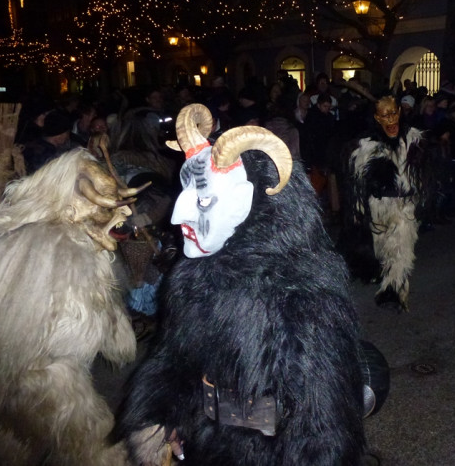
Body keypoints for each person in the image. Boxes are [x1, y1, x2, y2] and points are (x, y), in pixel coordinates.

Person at [117, 104, 367, 465]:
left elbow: (326, 422)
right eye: (186, 191)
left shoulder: (306, 294)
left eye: (203, 199)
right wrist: (160, 415)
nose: (178, 215)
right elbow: (175, 359)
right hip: (206, 444)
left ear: (249, 201)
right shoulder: (191, 281)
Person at [0, 148, 144, 465]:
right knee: (95, 445)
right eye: (105, 207)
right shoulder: (51, 250)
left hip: (31, 377)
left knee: (16, 439)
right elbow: (70, 336)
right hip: (50, 379)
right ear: (73, 207)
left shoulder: (60, 241)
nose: (123, 214)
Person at [338, 87, 430, 311]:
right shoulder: (366, 145)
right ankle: (379, 272)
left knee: (400, 250)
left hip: (403, 208)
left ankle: (393, 291)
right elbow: (356, 181)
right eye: (384, 115)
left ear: (400, 112)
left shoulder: (413, 140)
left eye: (393, 113)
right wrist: (374, 173)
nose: (390, 120)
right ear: (377, 118)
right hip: (377, 208)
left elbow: (422, 177)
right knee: (380, 247)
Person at [22, 109, 74, 174]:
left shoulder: (29, 146)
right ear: (59, 136)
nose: (68, 138)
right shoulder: (53, 158)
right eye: (67, 133)